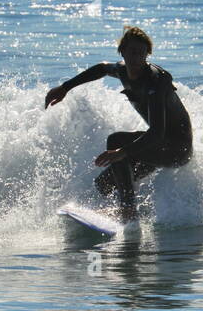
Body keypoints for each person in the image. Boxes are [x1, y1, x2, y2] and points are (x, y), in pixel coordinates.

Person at [44, 26, 193, 221]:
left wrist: (122, 152)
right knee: (104, 184)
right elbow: (102, 69)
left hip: (176, 149)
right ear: (122, 51)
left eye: (142, 54)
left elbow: (156, 132)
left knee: (116, 141)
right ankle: (135, 209)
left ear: (147, 55)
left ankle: (128, 209)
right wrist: (65, 87)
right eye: (132, 52)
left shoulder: (156, 81)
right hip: (157, 145)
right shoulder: (122, 70)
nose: (136, 59)